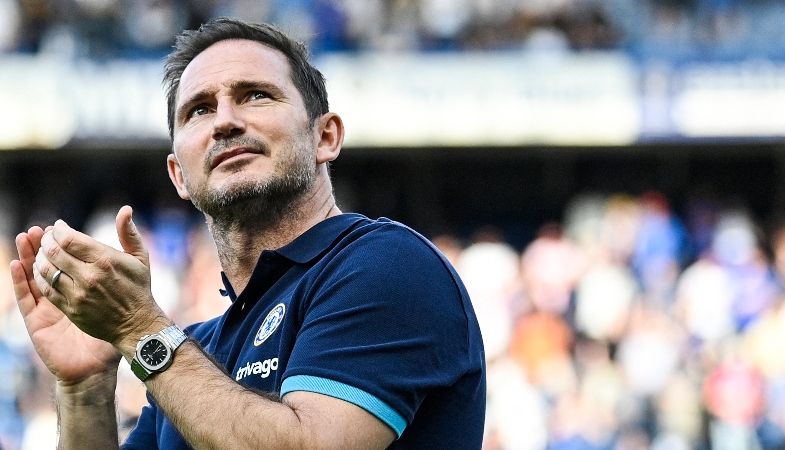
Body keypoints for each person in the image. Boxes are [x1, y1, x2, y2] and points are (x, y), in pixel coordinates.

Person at [10, 17, 486, 449]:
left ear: (326, 137)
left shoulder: (388, 264)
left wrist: (139, 331)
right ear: (178, 174)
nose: (224, 121)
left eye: (256, 95)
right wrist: (84, 389)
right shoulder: (197, 350)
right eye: (198, 109)